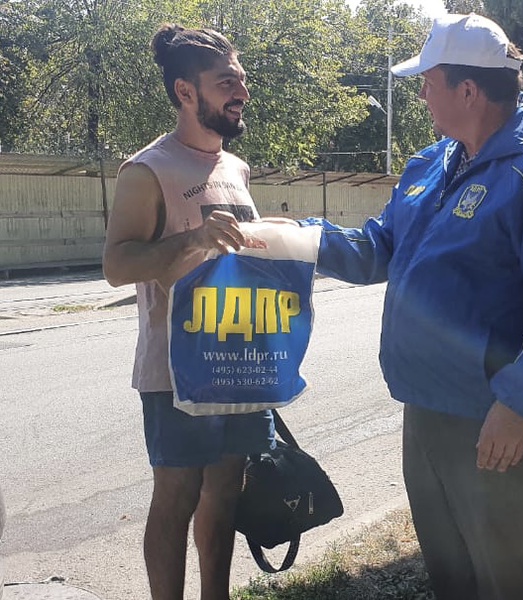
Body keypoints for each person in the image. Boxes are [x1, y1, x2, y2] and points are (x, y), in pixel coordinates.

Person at [299, 12, 523, 600]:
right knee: (451, 567)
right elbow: (378, 249)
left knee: (509, 575)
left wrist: (519, 406)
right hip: (425, 404)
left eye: (427, 81)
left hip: (491, 413)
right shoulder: (433, 162)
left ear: (468, 90)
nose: (419, 93)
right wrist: (297, 239)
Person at [102, 24, 275, 600]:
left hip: (241, 359)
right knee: (175, 497)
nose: (240, 92)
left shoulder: (237, 168)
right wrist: (191, 240)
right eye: (226, 82)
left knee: (226, 487)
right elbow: (117, 265)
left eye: (242, 81)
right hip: (176, 370)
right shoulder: (146, 170)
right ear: (184, 92)